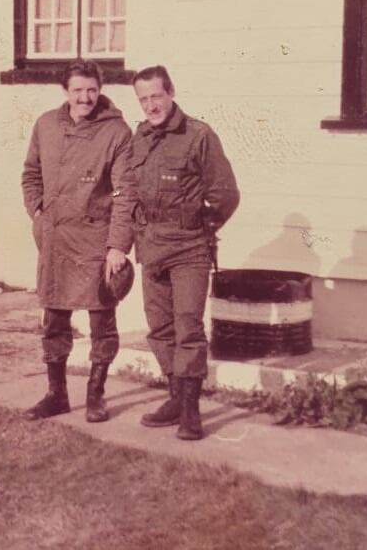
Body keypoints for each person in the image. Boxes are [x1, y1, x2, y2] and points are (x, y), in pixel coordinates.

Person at [21, 59, 135, 423]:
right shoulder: (45, 125)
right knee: (54, 320)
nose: (85, 98)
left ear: (100, 89)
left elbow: (125, 192)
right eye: (77, 90)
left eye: (91, 90)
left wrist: (117, 246)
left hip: (96, 242)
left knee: (102, 322)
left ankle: (96, 395)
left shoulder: (117, 132)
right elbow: (30, 174)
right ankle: (56, 395)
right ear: (65, 91)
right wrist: (38, 212)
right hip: (55, 240)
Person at [130, 65, 240, 440]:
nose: (150, 105)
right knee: (160, 328)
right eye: (143, 99)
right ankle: (176, 398)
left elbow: (225, 194)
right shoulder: (139, 137)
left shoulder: (198, 136)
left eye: (155, 96)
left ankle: (191, 413)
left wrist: (200, 228)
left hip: (189, 248)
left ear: (171, 92)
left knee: (188, 326)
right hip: (151, 246)